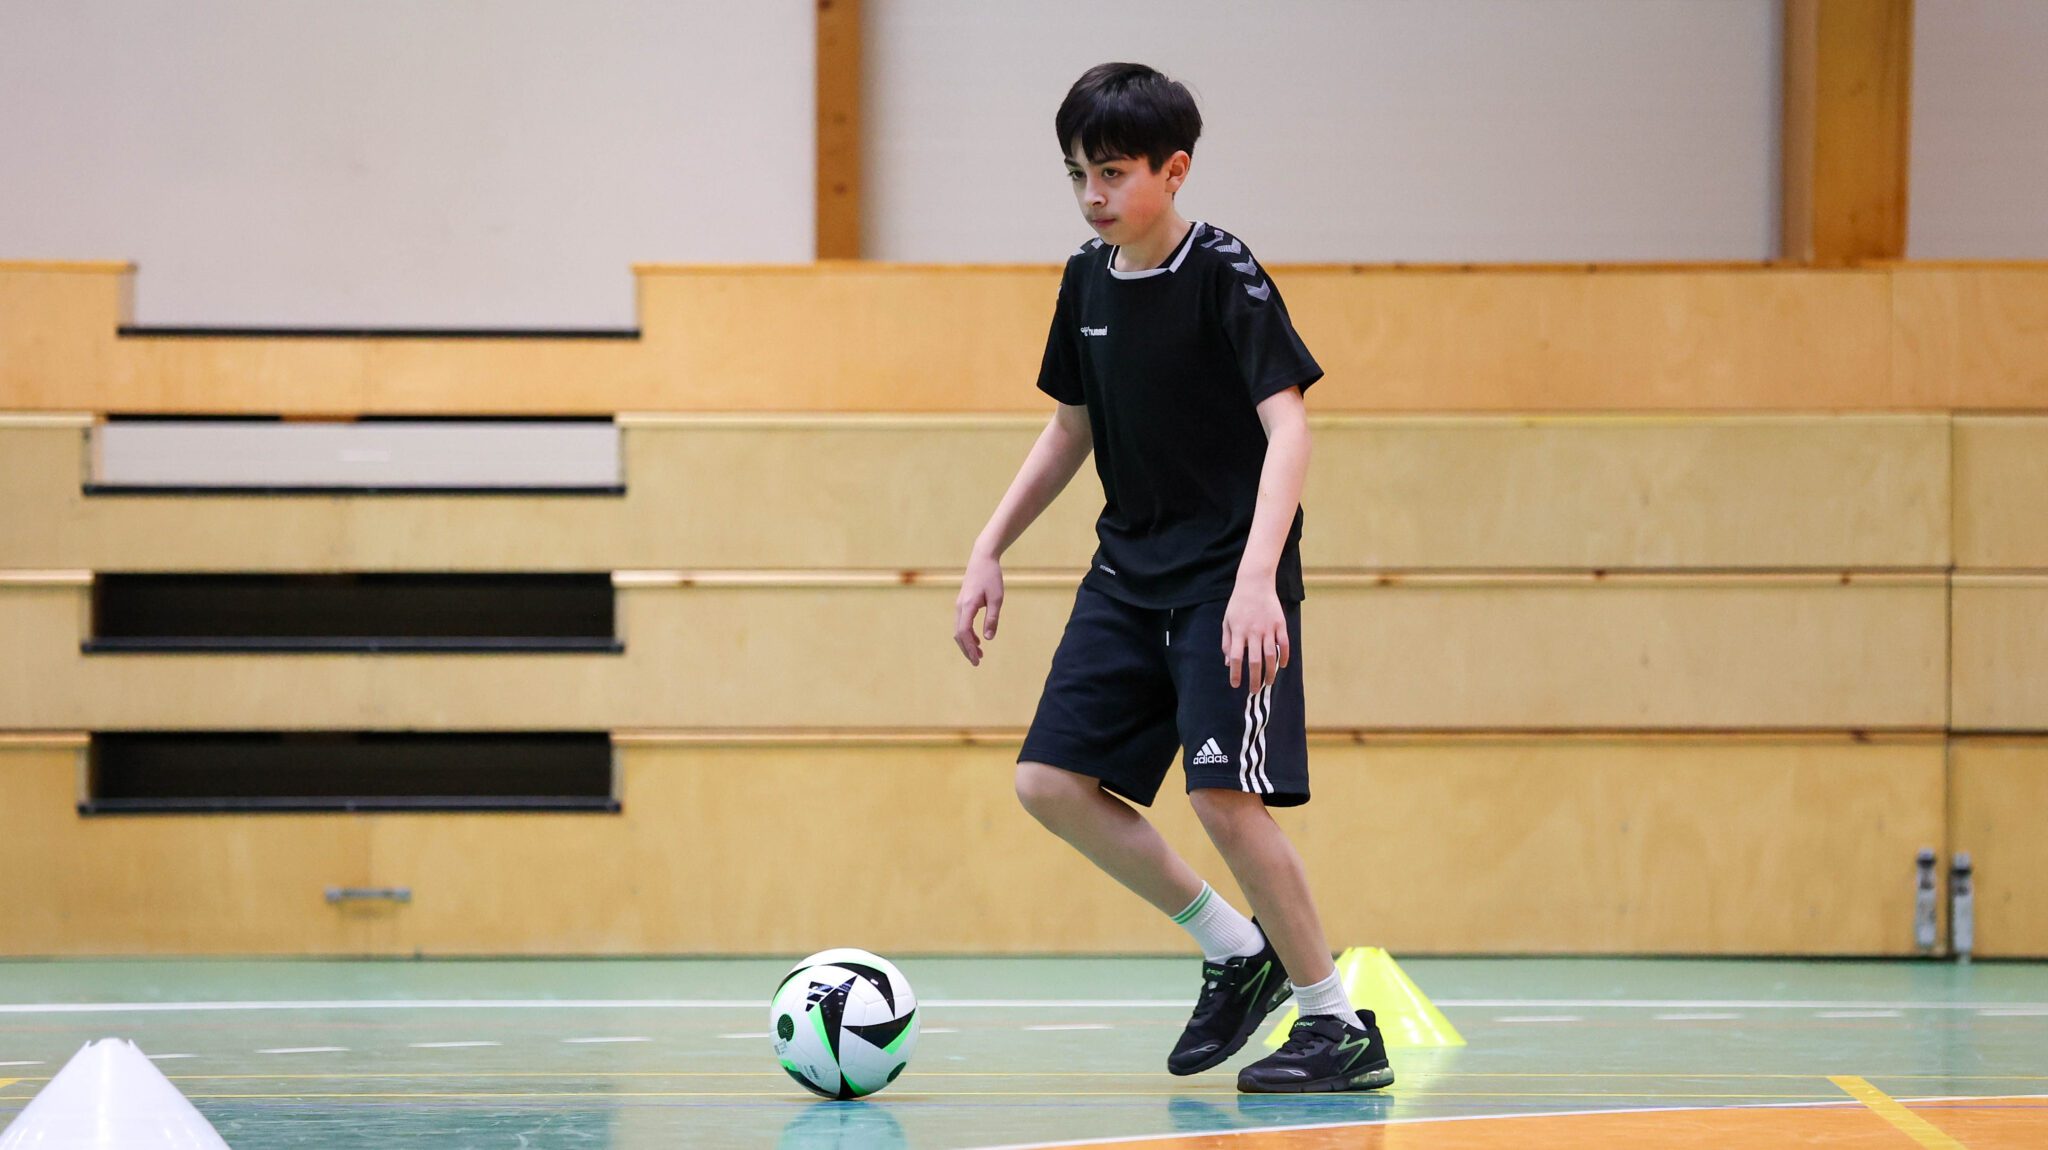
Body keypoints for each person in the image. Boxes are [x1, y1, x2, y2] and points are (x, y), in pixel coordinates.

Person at [952, 61, 1392, 1094]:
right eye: (1077, 175)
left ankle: (1335, 1023)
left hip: (1223, 579)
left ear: (1174, 170)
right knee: (1049, 783)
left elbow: (1289, 428)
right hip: (1126, 572)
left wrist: (1256, 580)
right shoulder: (1085, 281)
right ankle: (1235, 949)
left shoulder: (1223, 272)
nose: (1092, 195)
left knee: (1222, 796)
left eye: (1112, 173)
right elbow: (1070, 428)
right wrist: (989, 545)